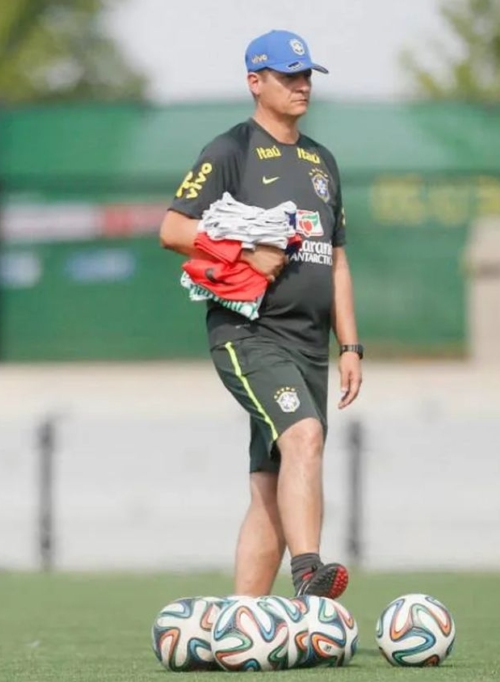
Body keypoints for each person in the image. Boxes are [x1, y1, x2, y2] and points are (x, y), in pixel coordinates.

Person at [158, 29, 362, 600]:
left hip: (309, 345)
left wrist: (349, 346)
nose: (301, 85)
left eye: (306, 75)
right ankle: (308, 578)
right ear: (255, 82)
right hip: (251, 333)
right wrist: (244, 252)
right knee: (305, 435)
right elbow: (173, 230)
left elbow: (337, 260)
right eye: (288, 75)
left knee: (269, 488)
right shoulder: (231, 150)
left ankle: (241, 621)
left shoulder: (323, 161)